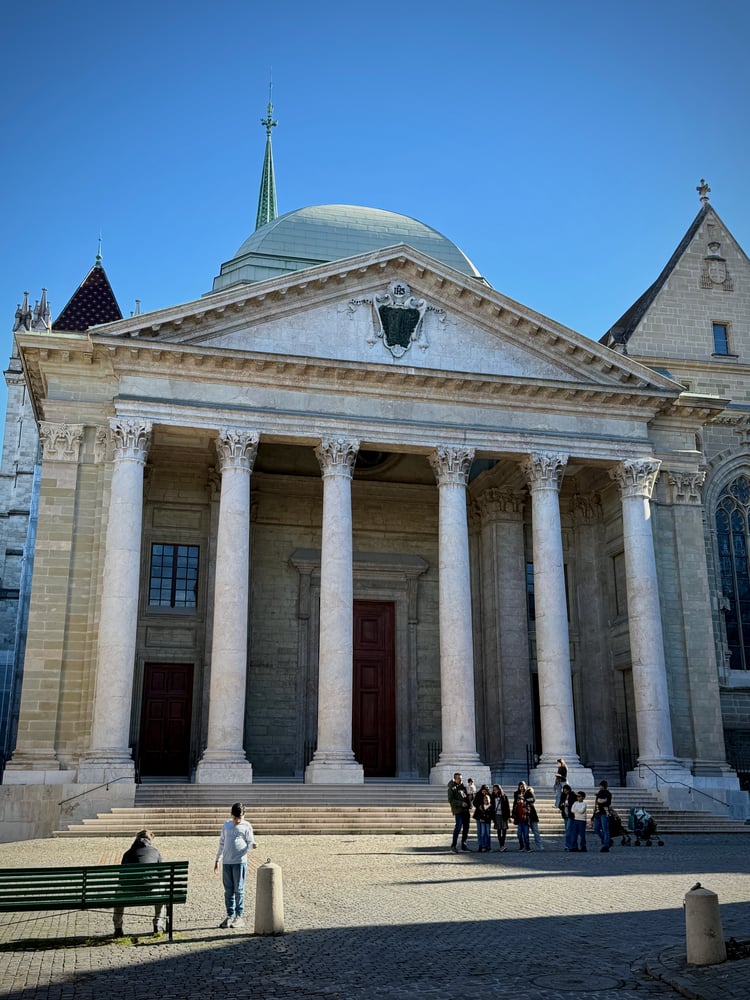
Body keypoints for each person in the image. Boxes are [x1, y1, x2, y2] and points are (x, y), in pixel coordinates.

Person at [112, 828, 166, 937]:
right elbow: (162, 875)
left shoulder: (127, 853)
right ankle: (158, 924)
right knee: (161, 889)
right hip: (150, 890)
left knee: (118, 892)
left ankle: (118, 927)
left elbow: (121, 875)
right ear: (150, 840)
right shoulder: (155, 851)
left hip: (129, 891)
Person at [214, 801, 256, 928]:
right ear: (231, 815)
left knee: (239, 889)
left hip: (240, 861)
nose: (237, 820)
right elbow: (222, 842)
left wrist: (252, 846)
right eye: (235, 817)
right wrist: (218, 859)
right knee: (228, 891)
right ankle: (230, 915)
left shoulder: (247, 826)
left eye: (240, 818)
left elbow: (250, 842)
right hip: (227, 861)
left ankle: (239, 916)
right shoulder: (226, 825)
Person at [447, 772, 472, 852]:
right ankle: (453, 845)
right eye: (458, 778)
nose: (460, 780)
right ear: (454, 779)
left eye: (461, 778)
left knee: (466, 828)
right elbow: (451, 800)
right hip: (458, 810)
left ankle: (464, 845)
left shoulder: (464, 787)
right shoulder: (452, 788)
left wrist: (471, 797)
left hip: (465, 810)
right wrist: (461, 803)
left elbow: (467, 797)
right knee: (458, 827)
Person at [593, 779, 613, 852]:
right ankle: (606, 840)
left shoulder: (608, 793)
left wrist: (600, 801)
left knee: (605, 829)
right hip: (598, 813)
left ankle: (606, 844)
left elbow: (606, 803)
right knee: (596, 829)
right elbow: (596, 804)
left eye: (601, 786)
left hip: (604, 813)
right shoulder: (599, 793)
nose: (600, 787)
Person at [524, 785, 544, 850]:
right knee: (535, 832)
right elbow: (533, 799)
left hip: (530, 817)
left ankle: (527, 846)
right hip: (528, 817)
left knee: (531, 832)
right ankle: (539, 845)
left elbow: (532, 799)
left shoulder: (528, 798)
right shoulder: (529, 795)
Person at [512, 781, 530, 851]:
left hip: (525, 822)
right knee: (519, 835)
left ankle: (527, 847)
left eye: (520, 800)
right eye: (518, 800)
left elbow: (529, 811)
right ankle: (521, 845)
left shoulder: (526, 805)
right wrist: (513, 816)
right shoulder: (516, 806)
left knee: (526, 835)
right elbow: (514, 812)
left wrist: (526, 810)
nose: (519, 801)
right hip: (519, 822)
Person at [473, 788, 493, 852]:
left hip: (487, 821)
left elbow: (491, 814)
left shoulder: (490, 804)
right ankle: (481, 845)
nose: (484, 792)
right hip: (479, 818)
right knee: (481, 833)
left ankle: (488, 846)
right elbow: (474, 803)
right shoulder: (478, 796)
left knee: (487, 833)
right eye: (483, 791)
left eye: (485, 791)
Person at [491, 784, 510, 851]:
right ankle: (501, 846)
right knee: (499, 830)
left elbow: (507, 807)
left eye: (496, 789)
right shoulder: (492, 797)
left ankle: (503, 845)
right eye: (494, 790)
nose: (494, 791)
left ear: (499, 789)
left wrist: (508, 817)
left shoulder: (504, 796)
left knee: (504, 830)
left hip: (503, 815)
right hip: (496, 815)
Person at [558, 783, 577, 851]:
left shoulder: (573, 795)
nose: (564, 792)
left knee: (569, 830)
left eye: (566, 790)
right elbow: (559, 805)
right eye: (564, 790)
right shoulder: (563, 796)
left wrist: (569, 804)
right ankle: (569, 845)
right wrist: (562, 805)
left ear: (569, 790)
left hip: (571, 815)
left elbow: (575, 804)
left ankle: (569, 845)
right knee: (568, 830)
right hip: (565, 815)